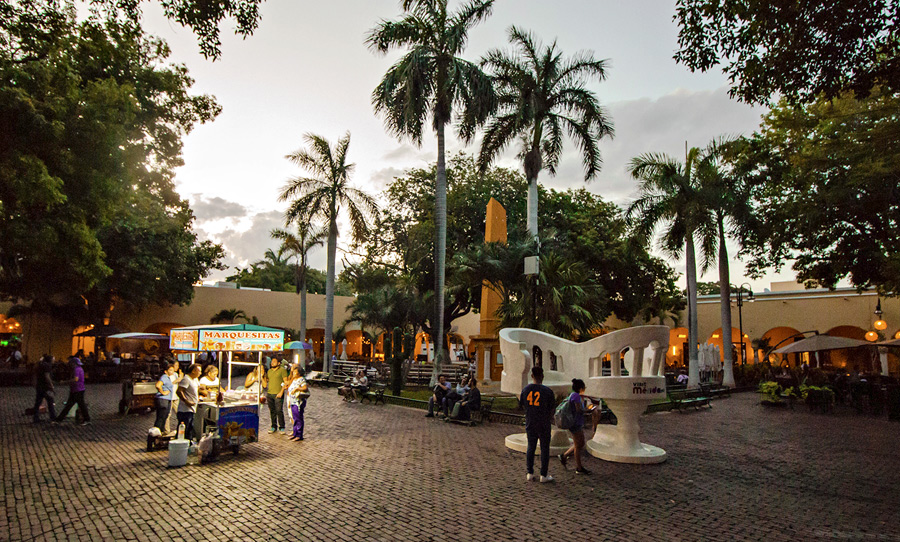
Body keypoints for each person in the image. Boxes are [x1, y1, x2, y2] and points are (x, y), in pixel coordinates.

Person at [519, 366, 555, 482]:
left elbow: (522, 406)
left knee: (531, 447)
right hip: (543, 423)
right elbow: (552, 409)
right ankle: (543, 474)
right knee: (545, 449)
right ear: (542, 376)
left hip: (531, 421)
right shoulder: (548, 392)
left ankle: (530, 472)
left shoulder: (526, 390)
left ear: (532, 376)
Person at [559, 379, 591, 475]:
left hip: (575, 423)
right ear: (580, 388)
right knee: (578, 445)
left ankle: (564, 456)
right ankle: (579, 467)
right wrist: (587, 411)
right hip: (575, 423)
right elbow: (578, 410)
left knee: (580, 443)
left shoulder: (573, 395)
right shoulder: (576, 396)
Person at [55, 355, 90, 426]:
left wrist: (65, 382)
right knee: (71, 405)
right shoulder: (79, 369)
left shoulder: (76, 369)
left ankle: (87, 419)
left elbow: (75, 379)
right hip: (77, 389)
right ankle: (59, 419)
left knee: (78, 405)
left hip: (77, 390)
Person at [176, 364, 202, 441]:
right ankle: (181, 443)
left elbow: (199, 389)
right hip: (185, 409)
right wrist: (186, 401)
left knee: (190, 427)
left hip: (192, 408)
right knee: (184, 428)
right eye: (199, 371)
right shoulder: (186, 379)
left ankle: (188, 443)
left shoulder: (195, 379)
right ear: (193, 371)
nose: (200, 373)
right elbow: (179, 391)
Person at [264, 356, 288, 433]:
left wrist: (281, 392)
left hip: (278, 393)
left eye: (274, 361)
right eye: (271, 361)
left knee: (279, 410)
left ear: (278, 363)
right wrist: (262, 375)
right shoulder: (269, 371)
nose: (272, 363)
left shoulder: (282, 370)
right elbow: (266, 382)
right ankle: (273, 426)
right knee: (272, 411)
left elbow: (285, 382)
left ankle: (282, 427)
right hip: (270, 393)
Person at [33, 355, 57, 423]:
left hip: (40, 386)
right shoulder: (47, 366)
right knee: (50, 401)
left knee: (38, 402)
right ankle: (53, 417)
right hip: (46, 387)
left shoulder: (40, 365)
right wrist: (51, 385)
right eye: (53, 359)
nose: (54, 361)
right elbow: (47, 376)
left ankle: (36, 417)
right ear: (50, 360)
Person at [287, 366, 309, 441]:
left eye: (295, 372)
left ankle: (299, 434)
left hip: (298, 402)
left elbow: (305, 388)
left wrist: (297, 388)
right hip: (292, 400)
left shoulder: (301, 379)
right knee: (294, 417)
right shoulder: (294, 380)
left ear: (299, 373)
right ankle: (295, 433)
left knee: (298, 418)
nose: (293, 373)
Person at [154, 362, 177, 433]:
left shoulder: (168, 378)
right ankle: (156, 433)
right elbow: (158, 385)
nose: (172, 371)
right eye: (170, 370)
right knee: (161, 417)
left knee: (165, 416)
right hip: (163, 399)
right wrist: (163, 392)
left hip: (168, 399)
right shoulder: (164, 377)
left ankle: (161, 432)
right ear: (166, 371)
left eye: (172, 370)